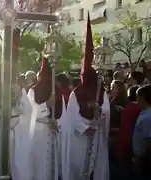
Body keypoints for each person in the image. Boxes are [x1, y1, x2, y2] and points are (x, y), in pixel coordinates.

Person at [61, 13, 110, 180]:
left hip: (97, 134)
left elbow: (107, 111)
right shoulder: (77, 93)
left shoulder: (101, 92)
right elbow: (72, 116)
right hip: (81, 137)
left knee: (96, 167)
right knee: (80, 166)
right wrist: (85, 128)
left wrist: (100, 111)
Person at [27, 56, 62, 180]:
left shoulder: (56, 90)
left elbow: (63, 112)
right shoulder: (33, 91)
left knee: (50, 164)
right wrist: (46, 105)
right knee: (39, 164)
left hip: (52, 130)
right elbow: (31, 112)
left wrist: (57, 121)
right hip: (39, 131)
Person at [116, 85, 140, 180]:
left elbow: (125, 131)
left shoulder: (130, 109)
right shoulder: (141, 109)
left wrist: (120, 149)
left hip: (127, 147)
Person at [132, 85, 151, 179]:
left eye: (138, 97)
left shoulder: (148, 117)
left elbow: (148, 140)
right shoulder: (144, 113)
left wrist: (140, 158)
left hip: (143, 160)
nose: (137, 100)